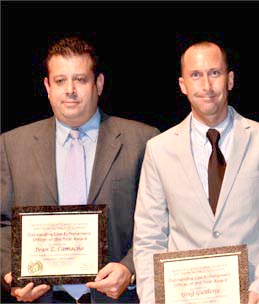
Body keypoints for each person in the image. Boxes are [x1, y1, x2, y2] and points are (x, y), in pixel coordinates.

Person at [0, 35, 159, 303]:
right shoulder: (12, 145)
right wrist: (9, 273)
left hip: (117, 298)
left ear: (98, 84)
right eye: (60, 81)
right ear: (47, 86)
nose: (70, 89)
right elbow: (3, 223)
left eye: (81, 80)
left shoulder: (143, 141)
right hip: (42, 298)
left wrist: (131, 268)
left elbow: (161, 223)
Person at [133, 40, 259, 304]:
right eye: (196, 75)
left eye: (214, 73)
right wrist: (152, 300)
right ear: (183, 85)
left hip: (252, 297)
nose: (206, 86)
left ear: (230, 80)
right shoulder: (158, 150)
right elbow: (149, 237)